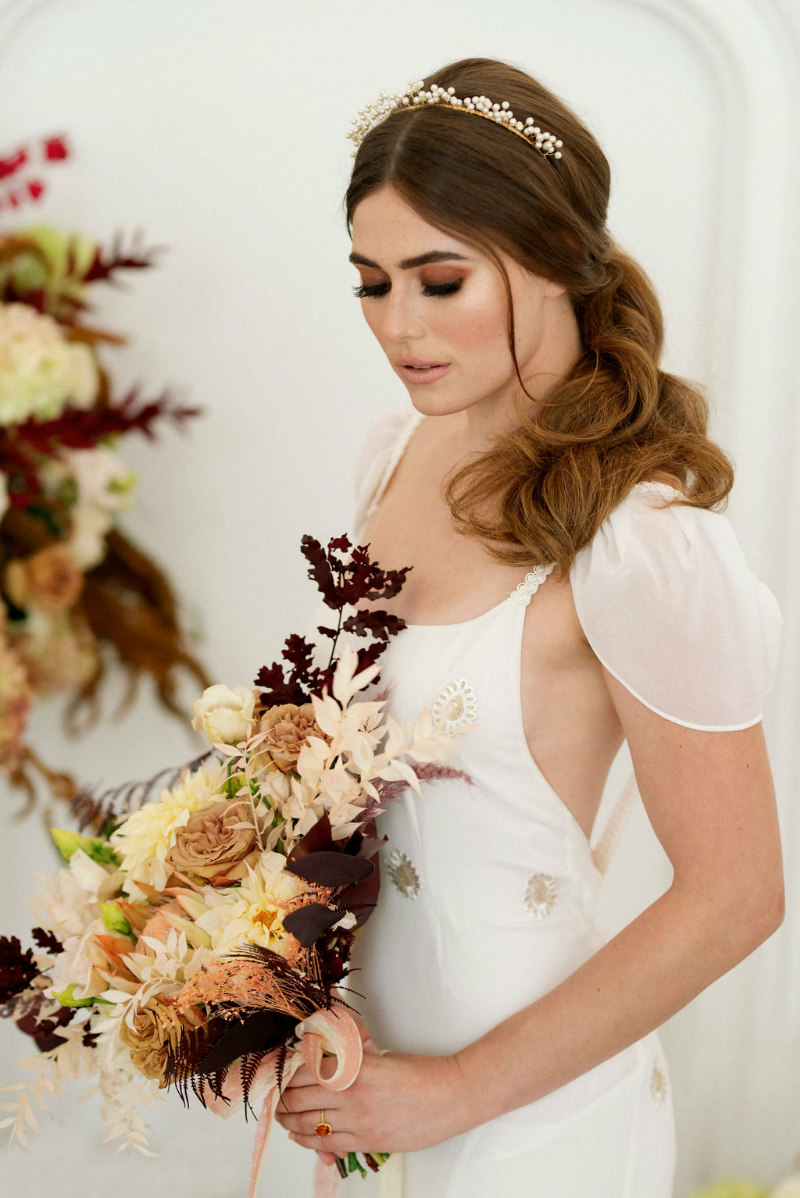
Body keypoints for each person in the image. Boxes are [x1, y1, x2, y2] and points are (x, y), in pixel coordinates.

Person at [274, 57, 784, 1196]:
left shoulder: (639, 540)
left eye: (439, 279)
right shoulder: (395, 454)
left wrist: (458, 1090)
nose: (398, 325)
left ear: (553, 260)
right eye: (371, 283)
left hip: (536, 1122)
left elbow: (738, 894)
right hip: (363, 1093)